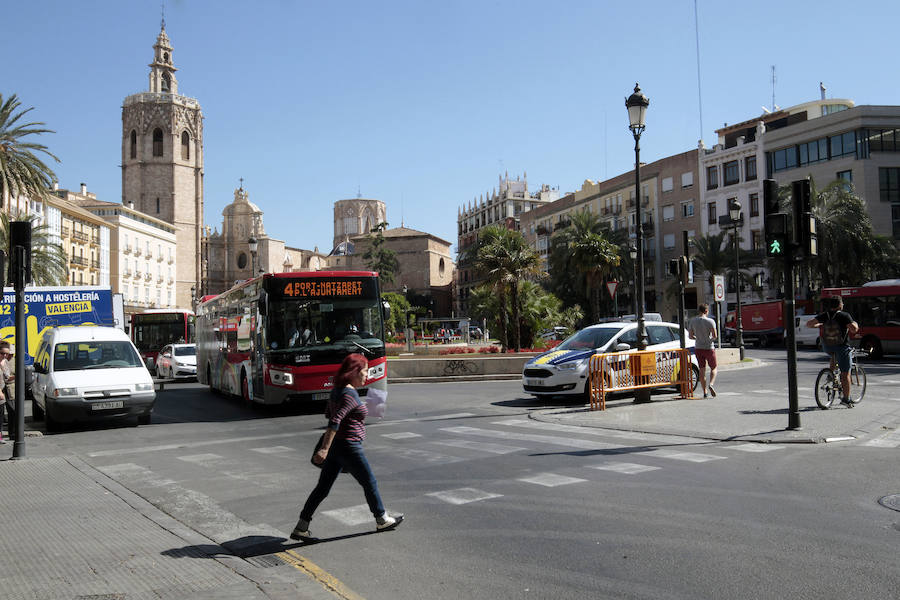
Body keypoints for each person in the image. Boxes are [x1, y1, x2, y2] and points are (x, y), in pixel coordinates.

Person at [291, 353, 402, 540]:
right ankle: (381, 519)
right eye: (364, 371)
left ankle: (301, 526)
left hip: (337, 447)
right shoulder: (349, 394)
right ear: (354, 372)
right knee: (369, 482)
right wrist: (324, 449)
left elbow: (329, 413)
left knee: (322, 488)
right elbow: (334, 420)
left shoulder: (337, 390)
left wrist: (360, 408)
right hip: (349, 446)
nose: (366, 376)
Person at [806, 296, 859, 407]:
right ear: (840, 305)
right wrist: (855, 324)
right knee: (845, 373)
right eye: (842, 303)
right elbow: (854, 329)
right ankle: (846, 399)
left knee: (833, 355)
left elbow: (809, 324)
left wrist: (820, 324)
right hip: (841, 346)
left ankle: (831, 374)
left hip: (827, 346)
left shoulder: (825, 315)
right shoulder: (844, 316)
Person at [688, 304, 718, 398]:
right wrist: (708, 339)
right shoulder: (710, 321)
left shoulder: (693, 321)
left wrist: (698, 338)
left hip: (698, 347)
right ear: (706, 311)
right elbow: (715, 336)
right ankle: (711, 384)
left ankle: (705, 392)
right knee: (714, 367)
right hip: (709, 347)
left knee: (702, 369)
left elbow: (690, 336)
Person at [0, 342, 15, 442]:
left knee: (1, 415)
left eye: (7, 353)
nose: (5, 356)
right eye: (3, 353)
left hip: (3, 391)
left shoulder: (4, 362)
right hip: (0, 392)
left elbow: (7, 377)